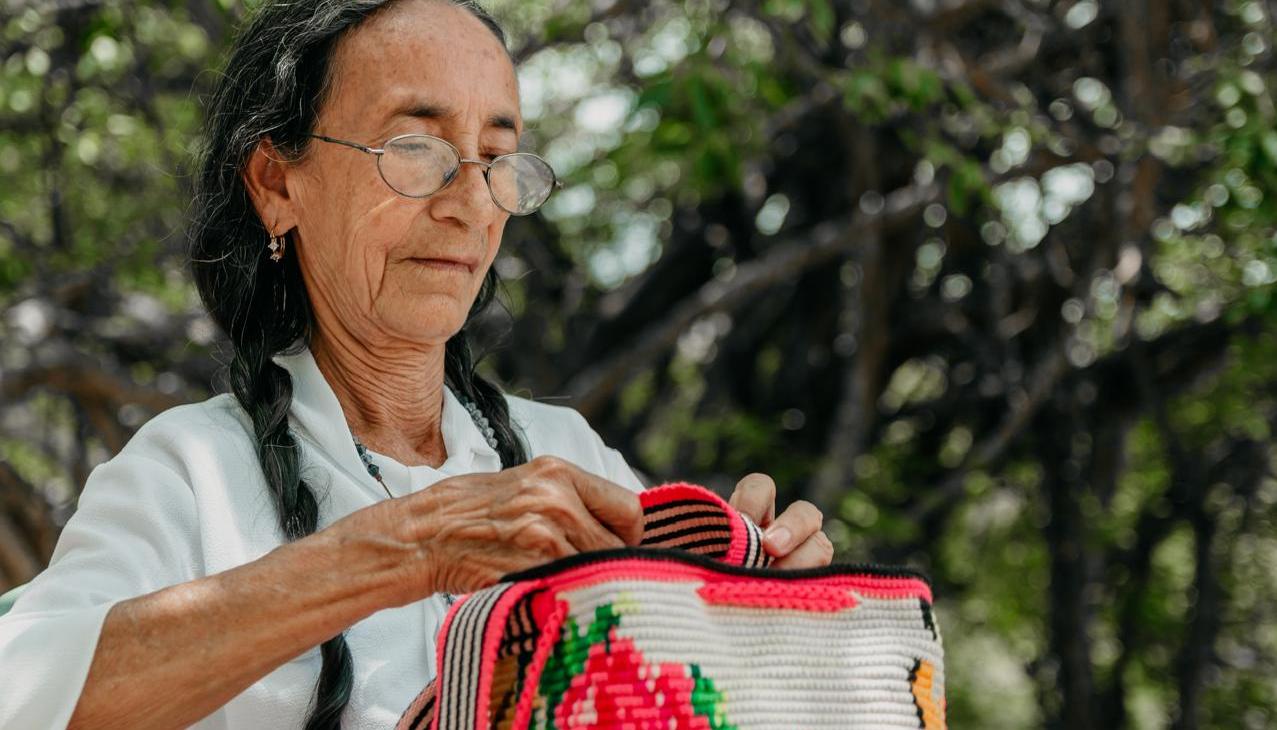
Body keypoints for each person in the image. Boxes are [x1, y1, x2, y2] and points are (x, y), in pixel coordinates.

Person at [0, 1, 834, 728]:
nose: (471, 203)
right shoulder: (188, 473)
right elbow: (21, 692)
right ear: (275, 183)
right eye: (414, 146)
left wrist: (757, 614)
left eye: (497, 157)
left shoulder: (566, 450)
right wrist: (406, 548)